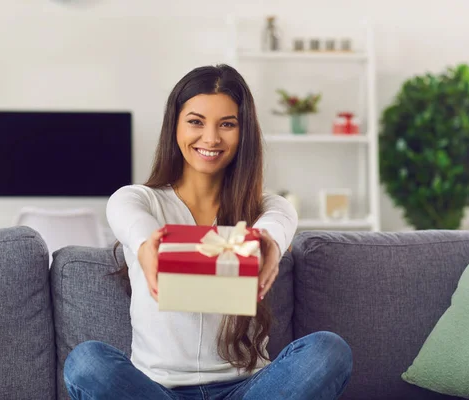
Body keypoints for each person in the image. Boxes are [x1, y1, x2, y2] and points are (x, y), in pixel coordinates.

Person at [63, 64, 352, 399]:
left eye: (227, 124)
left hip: (249, 389)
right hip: (158, 390)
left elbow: (279, 219)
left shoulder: (265, 208)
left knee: (328, 351)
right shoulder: (140, 201)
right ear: (175, 126)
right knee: (86, 362)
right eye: (196, 122)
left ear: (244, 133)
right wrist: (146, 248)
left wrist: (269, 243)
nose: (211, 138)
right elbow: (127, 216)